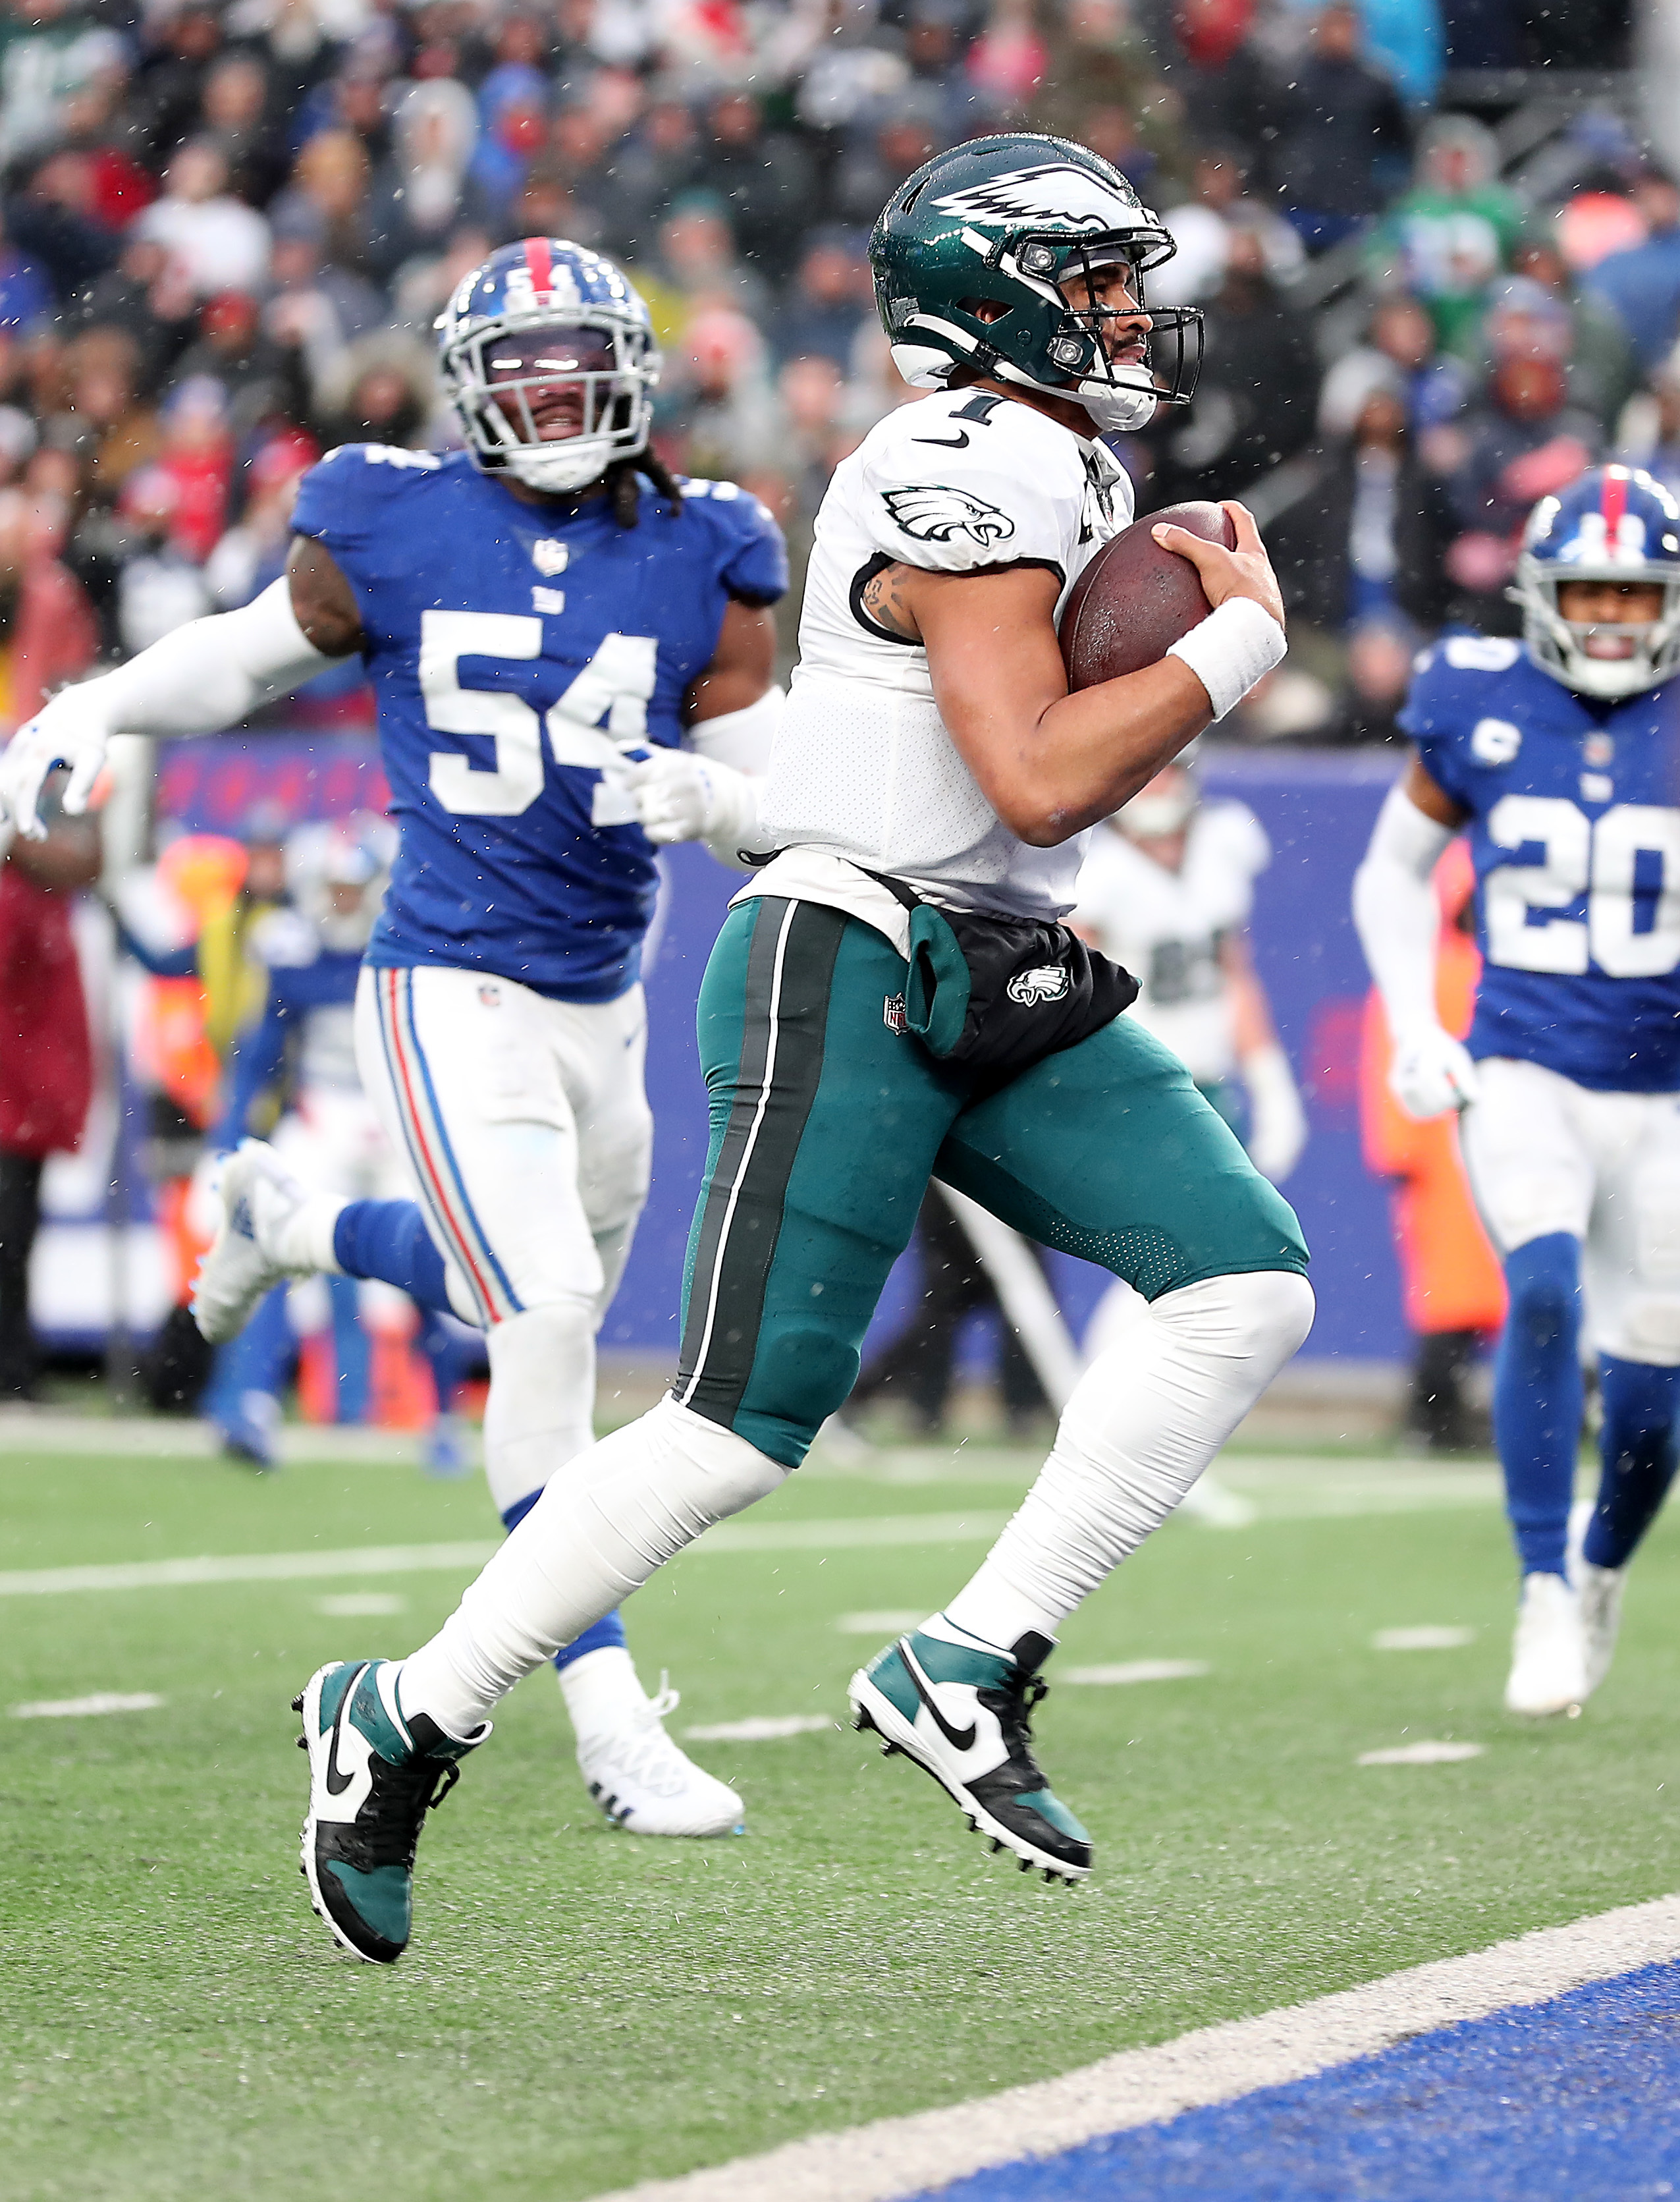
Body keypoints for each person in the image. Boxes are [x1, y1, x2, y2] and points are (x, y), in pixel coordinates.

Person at [192, 134, 1313, 1968]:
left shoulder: (1057, 457)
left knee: (1244, 1283)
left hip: (996, 957)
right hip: (850, 959)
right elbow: (1036, 768)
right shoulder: (959, 465)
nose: (1132, 312)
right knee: (737, 1425)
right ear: (999, 297)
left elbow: (1013, 788)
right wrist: (1241, 643)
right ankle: (404, 1714)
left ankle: (970, 1657)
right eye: (1096, 279)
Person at [0, 237, 792, 1846]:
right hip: (444, 978)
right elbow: (242, 653)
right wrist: (94, 704)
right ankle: (603, 1711)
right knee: (553, 1312)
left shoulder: (710, 548)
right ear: (470, 390)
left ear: (636, 378)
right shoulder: (393, 516)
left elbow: (783, 796)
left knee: (505, 1284)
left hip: (599, 998)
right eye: (528, 370)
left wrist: (723, 802)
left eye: (584, 365)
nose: (559, 396)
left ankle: (286, 1222)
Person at [1352, 464, 1680, 1717]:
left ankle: (1599, 1569)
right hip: (1524, 1066)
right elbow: (1392, 875)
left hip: (1665, 1095)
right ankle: (1542, 1582)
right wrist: (1416, 1024)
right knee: (1538, 1288)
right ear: (1543, 594)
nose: (1609, 618)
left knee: (1651, 1407)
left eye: (1633, 594)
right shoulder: (1480, 702)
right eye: (1588, 591)